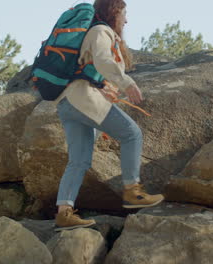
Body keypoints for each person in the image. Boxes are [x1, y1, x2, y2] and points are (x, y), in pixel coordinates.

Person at [53, 0, 164, 231]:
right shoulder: (101, 31)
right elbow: (104, 61)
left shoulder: (90, 33)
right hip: (83, 100)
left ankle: (64, 212)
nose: (126, 20)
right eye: (124, 13)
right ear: (113, 13)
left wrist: (103, 86)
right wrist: (127, 83)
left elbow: (89, 68)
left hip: (67, 103)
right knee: (132, 134)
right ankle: (132, 191)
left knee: (79, 161)